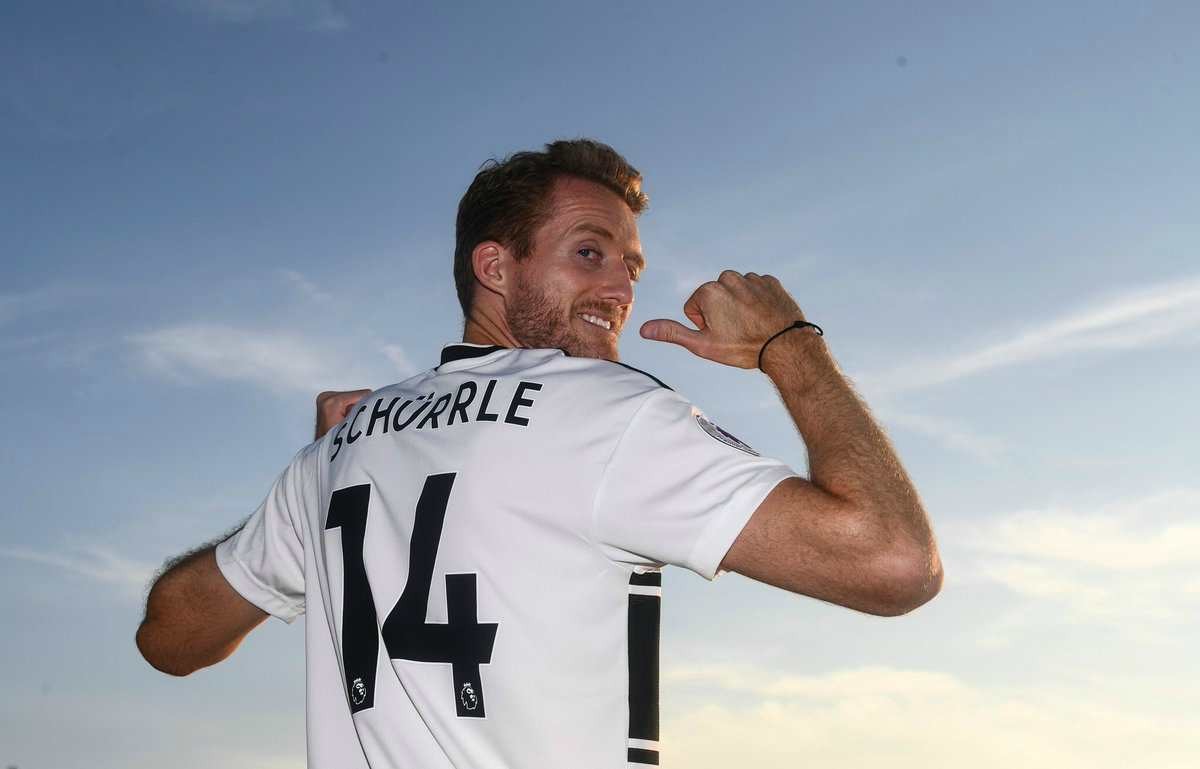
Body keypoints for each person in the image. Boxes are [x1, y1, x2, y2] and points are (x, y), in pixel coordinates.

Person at [136, 138, 942, 768]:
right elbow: (893, 561)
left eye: (630, 266)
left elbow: (168, 637)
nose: (620, 289)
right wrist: (790, 344)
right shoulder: (607, 412)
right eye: (589, 253)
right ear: (494, 266)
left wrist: (316, 480)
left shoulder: (343, 447)